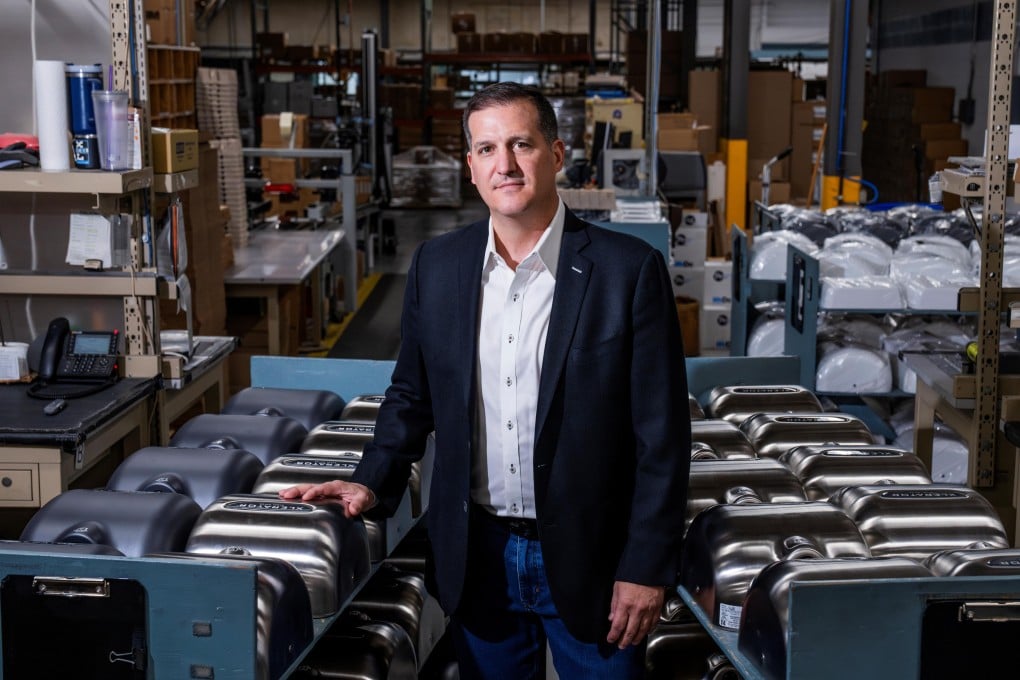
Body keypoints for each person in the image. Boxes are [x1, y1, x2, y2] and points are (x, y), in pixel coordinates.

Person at [280, 82, 691, 679]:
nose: (506, 165)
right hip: (480, 555)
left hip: (596, 558)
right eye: (487, 148)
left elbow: (663, 436)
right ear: (470, 166)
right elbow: (412, 394)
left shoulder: (627, 271)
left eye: (521, 144)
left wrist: (646, 566)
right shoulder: (438, 266)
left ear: (556, 154)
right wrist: (370, 481)